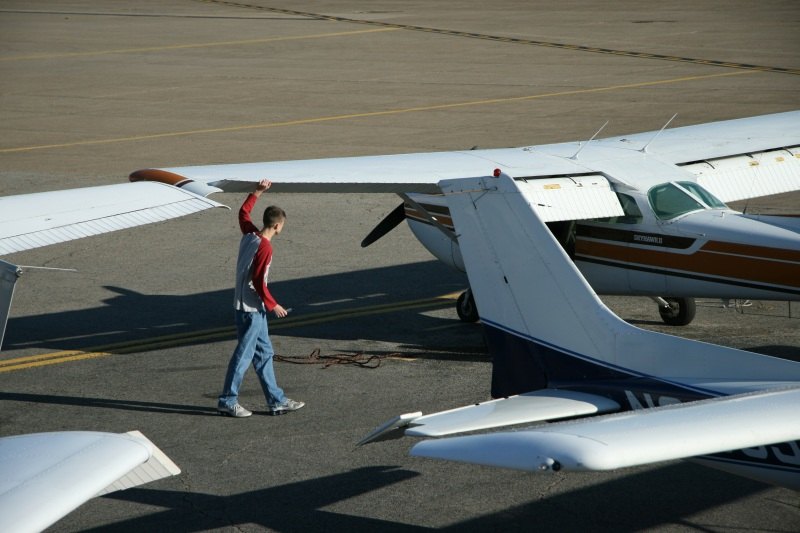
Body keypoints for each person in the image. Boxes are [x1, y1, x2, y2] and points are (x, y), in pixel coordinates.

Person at [217, 179, 304, 418]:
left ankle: (276, 400)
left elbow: (243, 213)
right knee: (244, 355)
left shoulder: (250, 235)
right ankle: (227, 400)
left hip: (249, 308)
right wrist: (273, 304)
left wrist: (257, 192)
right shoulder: (265, 247)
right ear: (277, 225)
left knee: (265, 353)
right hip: (251, 309)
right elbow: (258, 281)